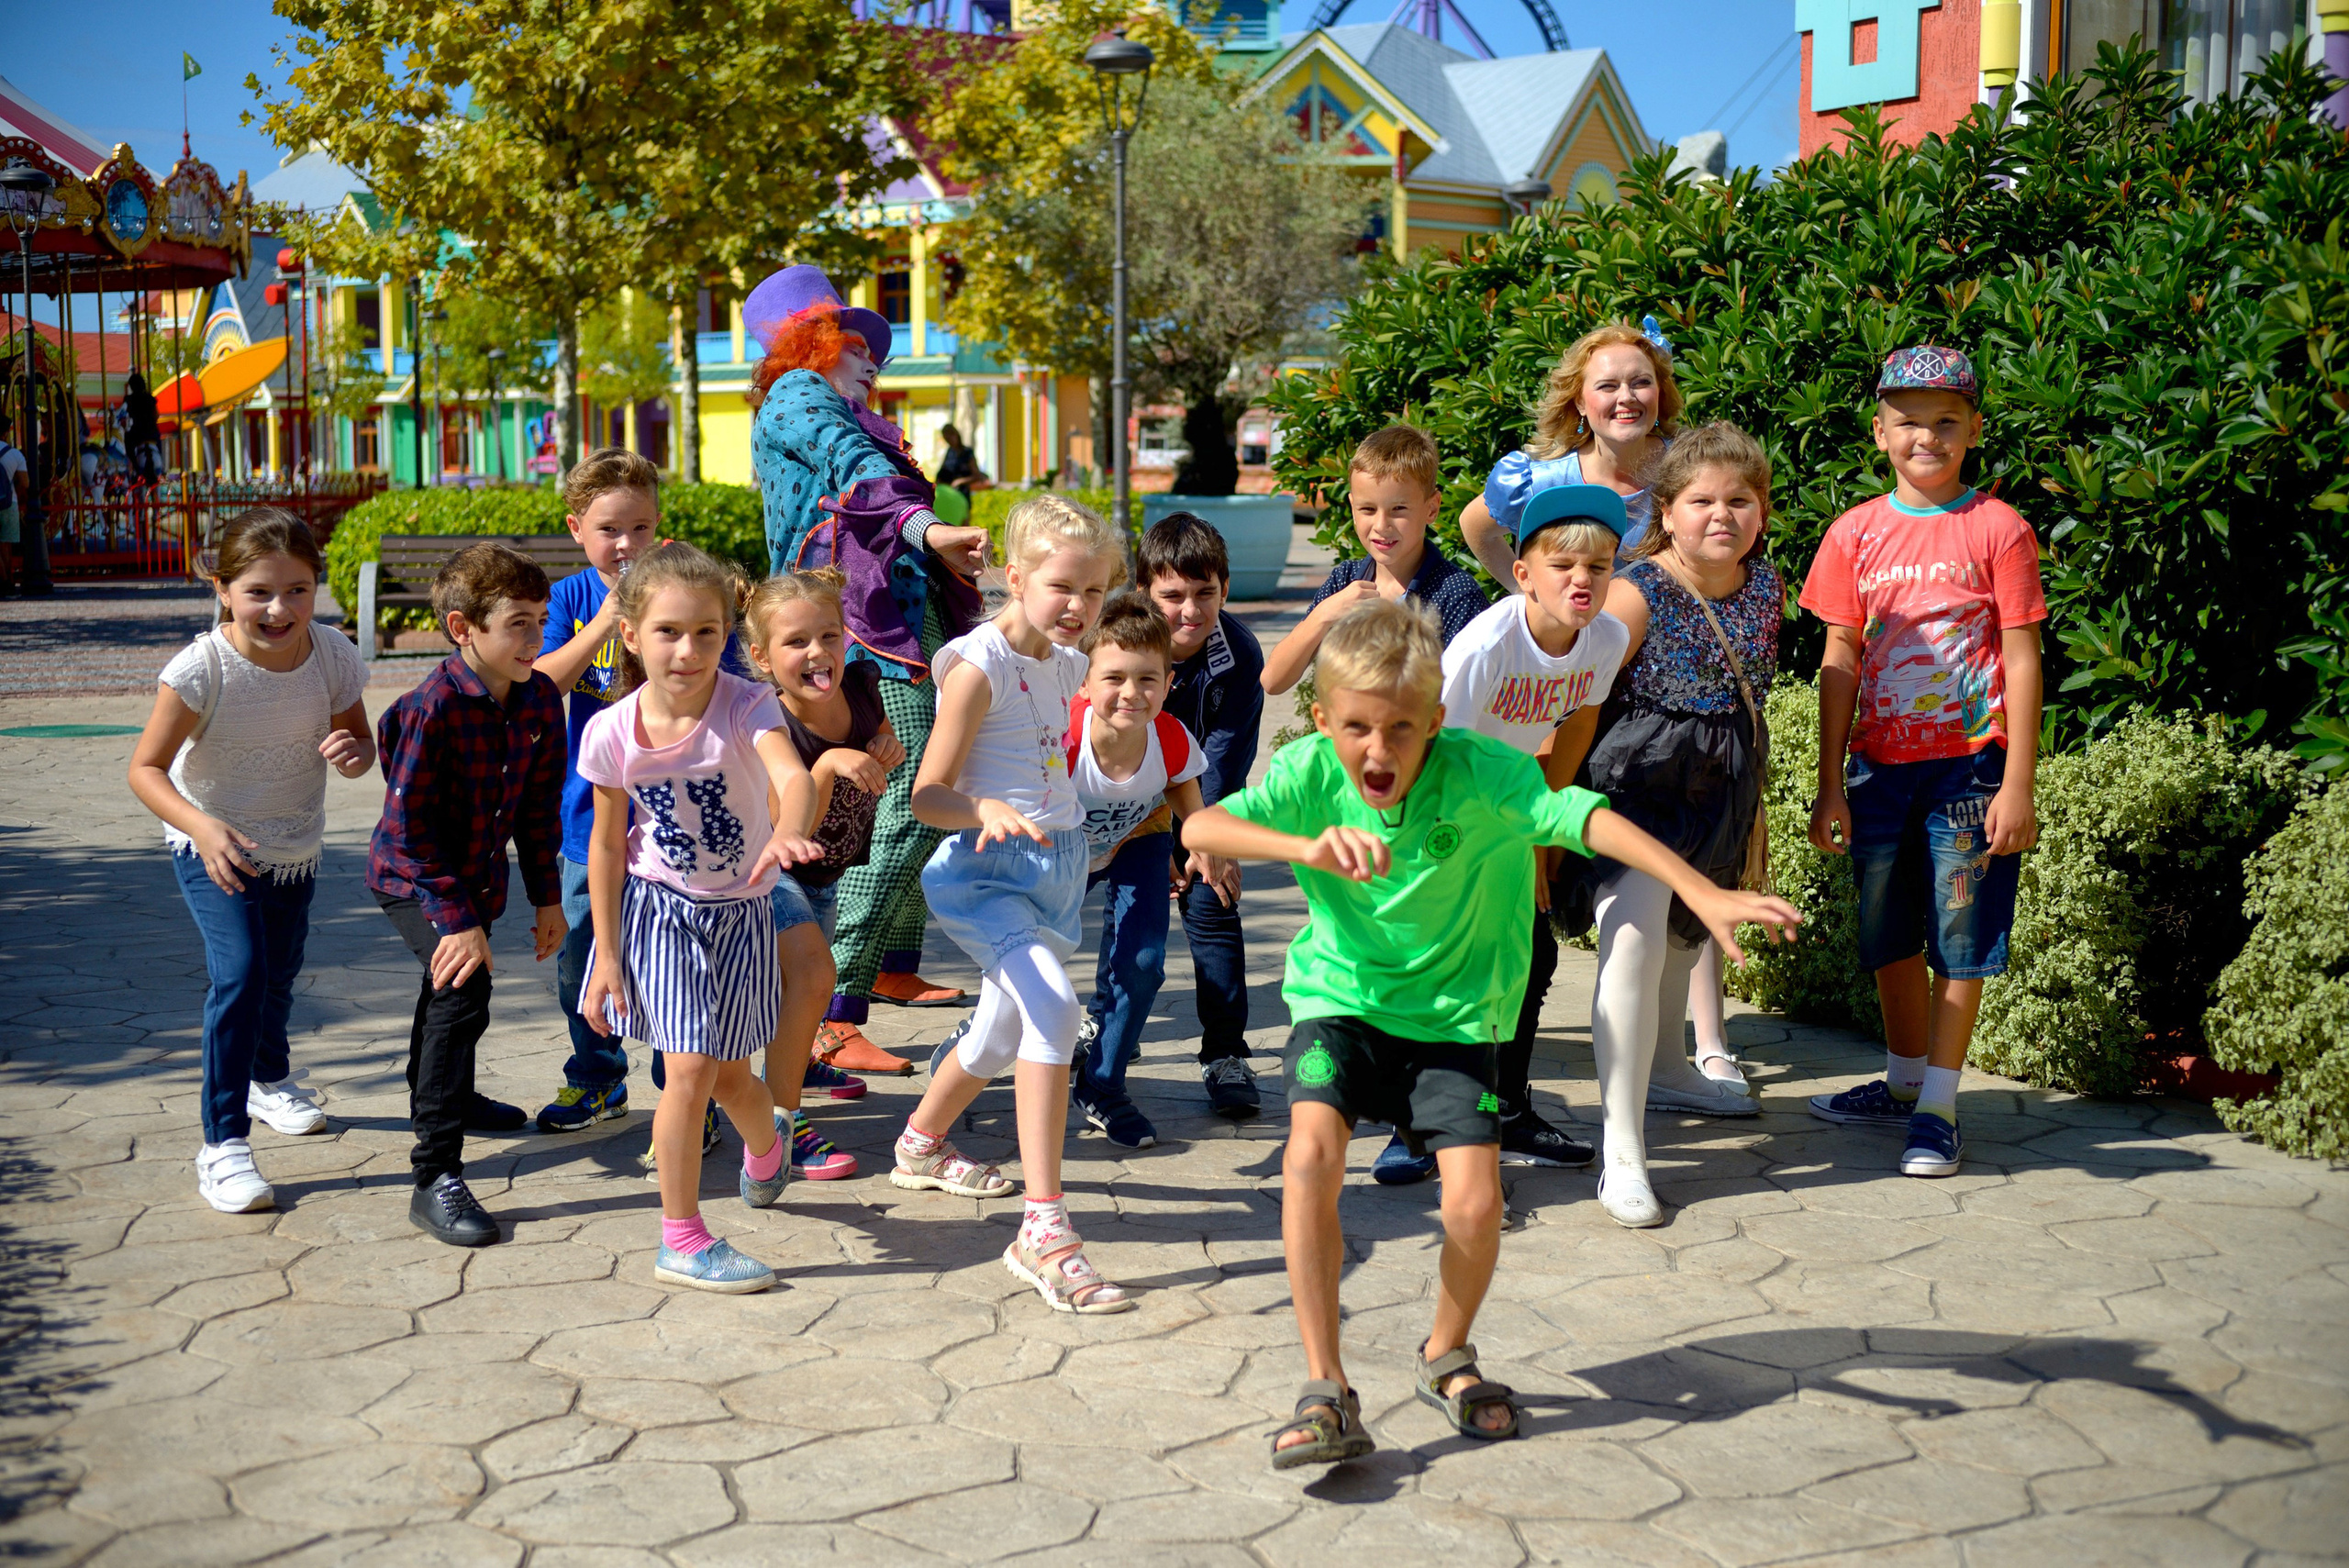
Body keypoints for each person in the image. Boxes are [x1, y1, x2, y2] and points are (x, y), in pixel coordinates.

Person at [1182, 598, 1799, 1468]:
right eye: (1357, 727)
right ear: (1322, 720)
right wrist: (1306, 848)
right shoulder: (1310, 772)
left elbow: (1587, 819)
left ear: (1437, 719)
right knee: (1310, 1157)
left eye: (1402, 728)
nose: (1378, 750)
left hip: (1457, 1020)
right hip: (1341, 1001)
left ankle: (1446, 1354)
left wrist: (1702, 890)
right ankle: (1326, 1387)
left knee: (1476, 1205)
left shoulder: (1485, 773)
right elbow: (1202, 825)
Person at [888, 495, 1134, 1315]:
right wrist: (982, 807)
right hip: (986, 873)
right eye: (1063, 586)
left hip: (1054, 869)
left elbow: (1055, 756)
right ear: (1015, 576)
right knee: (1055, 1011)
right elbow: (927, 794)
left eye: (1095, 590)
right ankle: (1044, 1229)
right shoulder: (976, 665)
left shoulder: (1066, 661)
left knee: (998, 1033)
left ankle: (920, 1144)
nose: (1080, 606)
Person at [1805, 346, 2045, 1180]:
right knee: (1886, 929)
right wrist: (1829, 783)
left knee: (1961, 932)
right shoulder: (1853, 532)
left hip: (1970, 769)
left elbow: (2022, 655)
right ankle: (1904, 1080)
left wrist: (2018, 781)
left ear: (1974, 430)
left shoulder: (2000, 528)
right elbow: (1840, 656)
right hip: (1877, 769)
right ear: (1879, 432)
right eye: (1908, 421)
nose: (1927, 437)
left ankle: (1939, 1107)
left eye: (1946, 421)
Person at [746, 264, 990, 1075]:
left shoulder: (840, 405)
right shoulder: (799, 395)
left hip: (885, 619)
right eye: (855, 342)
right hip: (853, 627)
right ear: (811, 343)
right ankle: (833, 1006)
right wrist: (932, 531)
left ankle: (888, 960)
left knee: (914, 779)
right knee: (916, 784)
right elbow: (857, 471)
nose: (871, 360)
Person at [576, 543, 824, 1293]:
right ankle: (681, 1238)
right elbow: (607, 844)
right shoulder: (610, 731)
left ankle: (768, 1142)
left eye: (706, 632)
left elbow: (793, 777)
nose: (687, 650)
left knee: (730, 1077)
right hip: (660, 911)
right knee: (687, 1068)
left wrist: (789, 829)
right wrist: (607, 955)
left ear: (726, 634)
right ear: (630, 634)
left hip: (743, 911)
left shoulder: (748, 705)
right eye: (668, 631)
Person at [127, 509, 373, 1214]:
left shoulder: (332, 654)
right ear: (223, 588)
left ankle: (268, 1080)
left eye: (298, 590)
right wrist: (202, 828)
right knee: (240, 973)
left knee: (279, 971)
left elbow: (361, 744)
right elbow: (145, 769)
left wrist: (356, 753)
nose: (279, 609)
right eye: (259, 591)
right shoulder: (201, 668)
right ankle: (223, 1143)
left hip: (295, 843)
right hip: (212, 844)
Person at [1584, 424, 1785, 1227]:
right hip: (1638, 785)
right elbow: (1583, 698)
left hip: (1721, 788)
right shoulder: (1636, 593)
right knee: (1633, 940)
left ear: (1762, 511)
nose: (1721, 515)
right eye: (1701, 500)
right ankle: (1621, 1150)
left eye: (1740, 499)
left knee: (1679, 941)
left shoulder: (1765, 585)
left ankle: (1669, 1069)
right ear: (1666, 512)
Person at [367, 544, 567, 1247]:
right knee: (462, 987)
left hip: (476, 877)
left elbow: (539, 811)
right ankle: (435, 1176)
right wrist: (455, 922)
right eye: (517, 623)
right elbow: (407, 830)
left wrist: (548, 899)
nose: (535, 638)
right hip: (412, 877)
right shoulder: (435, 707)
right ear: (463, 627)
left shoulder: (539, 698)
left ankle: (448, 1094)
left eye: (540, 620)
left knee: (456, 996)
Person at [1438, 483, 1632, 1173]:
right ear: (1523, 573)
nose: (1582, 580)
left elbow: (1578, 724)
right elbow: (1440, 758)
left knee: (1532, 959)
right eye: (1563, 565)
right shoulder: (1486, 646)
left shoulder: (1605, 637)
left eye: (1598, 567)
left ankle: (1509, 1111)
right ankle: (1429, 1125)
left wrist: (1543, 834)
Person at [741, 566, 905, 1181]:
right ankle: (780, 1129)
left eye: (829, 635)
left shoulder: (861, 687)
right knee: (813, 976)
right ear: (762, 657)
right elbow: (789, 827)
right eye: (796, 642)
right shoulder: (769, 719)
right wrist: (831, 763)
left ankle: (793, 1063)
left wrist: (886, 747)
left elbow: (883, 741)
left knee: (798, 992)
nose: (818, 652)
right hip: (771, 870)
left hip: (826, 875)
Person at [1061, 594, 1217, 1150]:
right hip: (1058, 849)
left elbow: (1180, 785)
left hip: (1139, 837)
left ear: (1169, 683)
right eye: (1114, 677)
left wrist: (1202, 842)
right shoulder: (1063, 737)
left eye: (1148, 678)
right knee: (1032, 961)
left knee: (1144, 963)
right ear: (1083, 682)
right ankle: (981, 1037)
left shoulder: (1169, 736)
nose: (1132, 692)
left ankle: (1103, 1085)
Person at [1138, 513, 1264, 1118]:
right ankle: (1102, 1030)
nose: (1190, 610)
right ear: (1144, 592)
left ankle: (1226, 1052)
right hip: (1125, 807)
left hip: (1199, 807)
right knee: (1125, 919)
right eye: (1172, 595)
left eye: (1204, 593)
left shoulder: (1239, 656)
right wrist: (1147, 834)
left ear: (1225, 589)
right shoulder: (1119, 641)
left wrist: (1206, 842)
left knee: (1214, 897)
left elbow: (1223, 764)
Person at [1261, 423, 1487, 698]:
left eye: (1398, 509)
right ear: (1352, 508)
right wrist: (1323, 615)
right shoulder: (1344, 581)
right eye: (1368, 509)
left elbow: (1467, 700)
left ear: (1432, 508)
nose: (1381, 525)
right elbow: (1273, 681)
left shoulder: (1456, 595)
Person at [0, 411, 27, 592]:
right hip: (10, 503)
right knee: (7, 544)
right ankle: (8, 579)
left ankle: (3, 581)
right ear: (6, 433)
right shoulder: (15, 454)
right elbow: (26, 483)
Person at [935, 423, 992, 498]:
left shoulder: (967, 452)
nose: (950, 441)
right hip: (949, 494)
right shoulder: (950, 452)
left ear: (956, 435)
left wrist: (960, 481)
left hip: (963, 493)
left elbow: (976, 475)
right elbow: (942, 472)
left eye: (951, 437)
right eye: (947, 439)